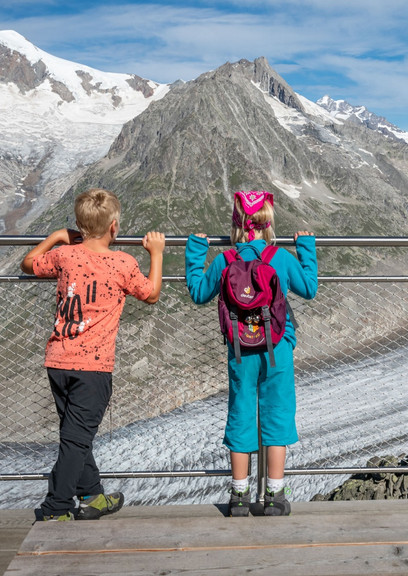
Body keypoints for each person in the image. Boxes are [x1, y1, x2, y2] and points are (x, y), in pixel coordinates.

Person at [21, 188, 165, 522]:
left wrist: (57, 237)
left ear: (79, 225)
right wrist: (156, 253)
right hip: (93, 368)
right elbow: (151, 294)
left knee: (75, 434)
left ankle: (92, 495)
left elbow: (28, 264)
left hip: (58, 360)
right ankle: (55, 508)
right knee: (75, 440)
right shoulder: (123, 263)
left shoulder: (64, 256)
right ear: (114, 227)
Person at [185, 190, 318, 516]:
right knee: (277, 416)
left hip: (240, 350)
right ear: (267, 225)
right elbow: (309, 288)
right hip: (278, 349)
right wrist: (305, 246)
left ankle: (239, 497)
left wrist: (197, 250)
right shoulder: (280, 258)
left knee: (241, 414)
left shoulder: (225, 260)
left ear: (237, 225)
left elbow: (199, 292)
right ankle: (274, 496)